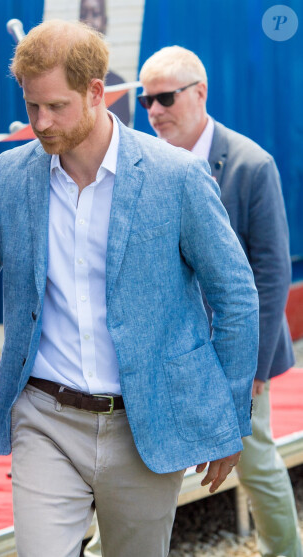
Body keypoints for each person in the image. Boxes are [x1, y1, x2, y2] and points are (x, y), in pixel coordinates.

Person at [0, 21, 259, 557]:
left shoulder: (177, 178)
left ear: (96, 91)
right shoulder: (11, 177)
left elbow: (236, 297)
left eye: (55, 106)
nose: (40, 122)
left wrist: (228, 418)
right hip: (44, 418)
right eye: (32, 106)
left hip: (146, 423)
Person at [138, 45, 302, 557]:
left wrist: (252, 363)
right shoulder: (146, 163)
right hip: (166, 351)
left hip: (233, 351)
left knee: (255, 464)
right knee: (138, 472)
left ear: (200, 93)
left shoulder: (252, 164)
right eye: (146, 101)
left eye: (165, 97)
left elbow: (272, 271)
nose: (154, 111)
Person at [79, 0, 131, 125]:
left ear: (105, 22)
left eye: (95, 14)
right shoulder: (66, 80)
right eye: (83, 14)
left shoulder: (119, 85)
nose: (88, 21)